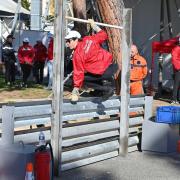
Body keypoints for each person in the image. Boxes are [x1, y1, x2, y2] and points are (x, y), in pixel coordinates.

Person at [65, 19, 114, 102]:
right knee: (90, 73)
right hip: (110, 65)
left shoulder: (78, 55)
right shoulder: (89, 39)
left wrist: (75, 89)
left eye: (68, 41)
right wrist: (95, 27)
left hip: (101, 71)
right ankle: (98, 91)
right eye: (66, 41)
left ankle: (106, 89)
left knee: (81, 79)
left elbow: (78, 72)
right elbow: (103, 35)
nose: (67, 44)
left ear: (76, 39)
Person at [171, 38, 180, 104]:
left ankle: (178, 99)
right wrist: (178, 68)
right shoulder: (176, 48)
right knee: (176, 84)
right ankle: (174, 99)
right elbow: (174, 59)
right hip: (178, 70)